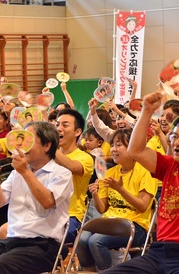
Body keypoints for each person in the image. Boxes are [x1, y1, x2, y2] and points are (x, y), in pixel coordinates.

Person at [0, 121, 73, 274]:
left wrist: (25, 171)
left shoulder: (62, 174)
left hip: (44, 245)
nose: (21, 146)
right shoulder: (16, 172)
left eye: (28, 140)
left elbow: (47, 202)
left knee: (3, 264)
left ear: (47, 145)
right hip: (12, 240)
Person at [102, 92, 179, 273]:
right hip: (159, 253)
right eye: (174, 136)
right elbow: (135, 150)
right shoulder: (169, 166)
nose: (176, 142)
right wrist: (146, 111)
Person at [77, 129, 157, 272]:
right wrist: (95, 194)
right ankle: (90, 271)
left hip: (135, 227)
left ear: (132, 147)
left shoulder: (145, 172)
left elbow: (143, 206)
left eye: (118, 145)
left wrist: (121, 190)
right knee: (81, 239)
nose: (113, 149)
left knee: (96, 241)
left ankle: (108, 272)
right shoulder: (110, 172)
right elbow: (102, 209)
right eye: (112, 144)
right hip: (109, 223)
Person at [54, 108, 94, 243]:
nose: (59, 128)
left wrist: (51, 146)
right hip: (47, 213)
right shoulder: (49, 155)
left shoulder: (85, 158)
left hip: (71, 216)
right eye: (57, 125)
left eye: (64, 125)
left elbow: (71, 167)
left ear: (78, 132)